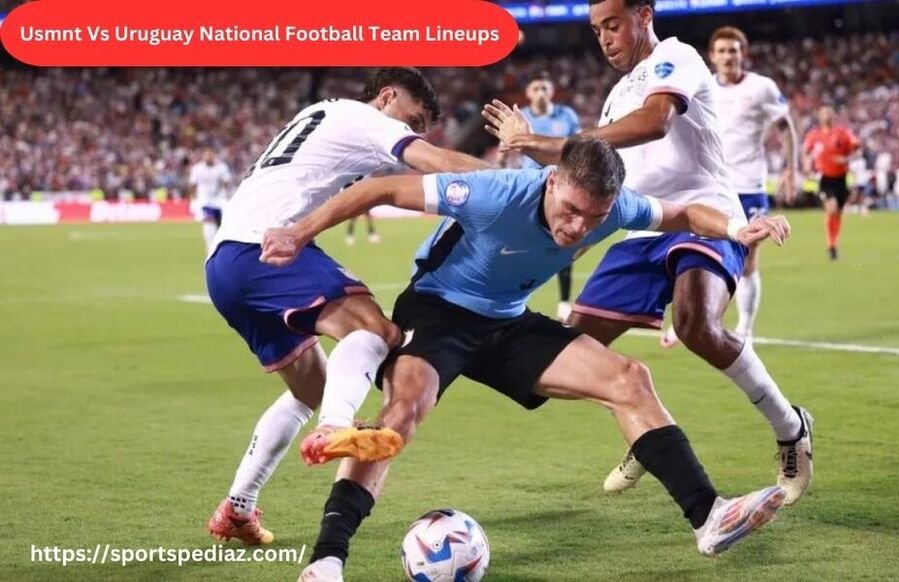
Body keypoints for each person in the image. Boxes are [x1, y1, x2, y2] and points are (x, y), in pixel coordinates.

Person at [260, 137, 792, 582]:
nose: (579, 228)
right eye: (571, 211)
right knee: (402, 416)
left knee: (630, 378)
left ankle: (710, 517)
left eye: (595, 217)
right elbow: (378, 188)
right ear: (552, 180)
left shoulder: (615, 206)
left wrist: (732, 229)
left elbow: (680, 213)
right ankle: (327, 560)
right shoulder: (494, 193)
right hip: (438, 311)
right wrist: (299, 232)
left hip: (508, 320)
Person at [482, 0, 813, 505]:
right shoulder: (614, 98)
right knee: (564, 355)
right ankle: (650, 431)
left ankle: (790, 427)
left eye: (612, 25)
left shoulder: (678, 57)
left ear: (644, 14)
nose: (605, 38)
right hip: (641, 229)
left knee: (695, 323)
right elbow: (602, 182)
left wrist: (548, 140)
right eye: (596, 30)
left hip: (702, 214)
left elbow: (656, 122)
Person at [204, 67, 491, 546]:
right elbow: (434, 160)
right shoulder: (365, 119)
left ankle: (238, 507)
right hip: (267, 249)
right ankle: (336, 428)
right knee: (376, 330)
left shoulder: (324, 114)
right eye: (412, 118)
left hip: (225, 263)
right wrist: (532, 181)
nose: (412, 130)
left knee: (308, 391)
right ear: (387, 97)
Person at [660, 26, 799, 344]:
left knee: (747, 257)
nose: (727, 56)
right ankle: (691, 318)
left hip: (749, 183)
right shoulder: (702, 86)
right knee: (694, 251)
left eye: (733, 50)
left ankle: (745, 328)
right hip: (710, 185)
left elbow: (786, 127)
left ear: (742, 53)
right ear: (712, 55)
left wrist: (792, 169)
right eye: (721, 51)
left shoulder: (762, 87)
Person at [519, 71, 583, 321]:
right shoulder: (522, 116)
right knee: (522, 245)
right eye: (536, 88)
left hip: (560, 189)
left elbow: (577, 146)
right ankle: (516, 299)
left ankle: (564, 301)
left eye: (545, 88)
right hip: (531, 189)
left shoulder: (566, 115)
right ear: (528, 93)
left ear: (552, 91)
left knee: (564, 242)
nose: (541, 93)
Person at [803, 105, 861, 260]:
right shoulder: (814, 135)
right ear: (819, 117)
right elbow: (806, 153)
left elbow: (856, 149)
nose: (826, 116)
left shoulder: (843, 133)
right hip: (824, 178)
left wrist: (846, 159)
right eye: (823, 113)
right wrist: (807, 165)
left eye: (829, 113)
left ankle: (834, 244)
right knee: (831, 208)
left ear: (833, 116)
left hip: (841, 178)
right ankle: (830, 244)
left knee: (838, 213)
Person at [188, 149, 232, 253]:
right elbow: (193, 184)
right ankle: (210, 247)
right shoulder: (197, 169)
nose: (208, 158)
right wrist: (193, 197)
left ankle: (219, 244)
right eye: (206, 156)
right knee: (208, 221)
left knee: (220, 224)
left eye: (210, 155)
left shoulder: (221, 167)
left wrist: (227, 194)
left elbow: (226, 181)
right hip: (204, 200)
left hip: (219, 199)